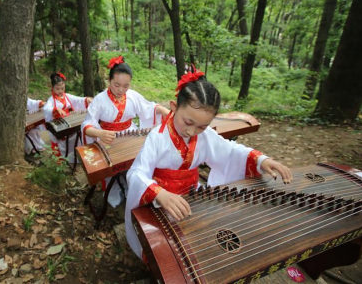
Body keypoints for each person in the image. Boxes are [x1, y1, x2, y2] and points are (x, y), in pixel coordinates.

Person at [124, 69, 292, 259]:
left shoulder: (204, 136)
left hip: (192, 197)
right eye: (187, 121)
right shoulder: (157, 137)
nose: (192, 131)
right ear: (173, 107)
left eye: (202, 126)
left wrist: (261, 160)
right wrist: (160, 194)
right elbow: (136, 173)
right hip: (159, 202)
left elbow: (229, 151)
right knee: (167, 253)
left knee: (198, 243)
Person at [81, 56, 170, 207]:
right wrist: (99, 133)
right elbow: (87, 123)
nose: (121, 90)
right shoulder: (100, 99)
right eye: (116, 85)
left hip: (130, 134)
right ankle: (113, 191)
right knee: (111, 168)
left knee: (137, 161)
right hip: (107, 137)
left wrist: (161, 109)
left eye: (125, 86)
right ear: (109, 81)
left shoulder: (133, 96)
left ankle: (134, 187)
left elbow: (148, 108)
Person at [43, 72, 92, 162]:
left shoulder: (67, 96)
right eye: (57, 89)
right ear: (52, 88)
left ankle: (75, 157)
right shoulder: (51, 100)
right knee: (62, 143)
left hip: (70, 122)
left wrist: (86, 100)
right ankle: (63, 159)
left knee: (77, 137)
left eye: (62, 88)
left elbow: (78, 100)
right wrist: (55, 109)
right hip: (60, 126)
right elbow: (46, 108)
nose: (60, 91)